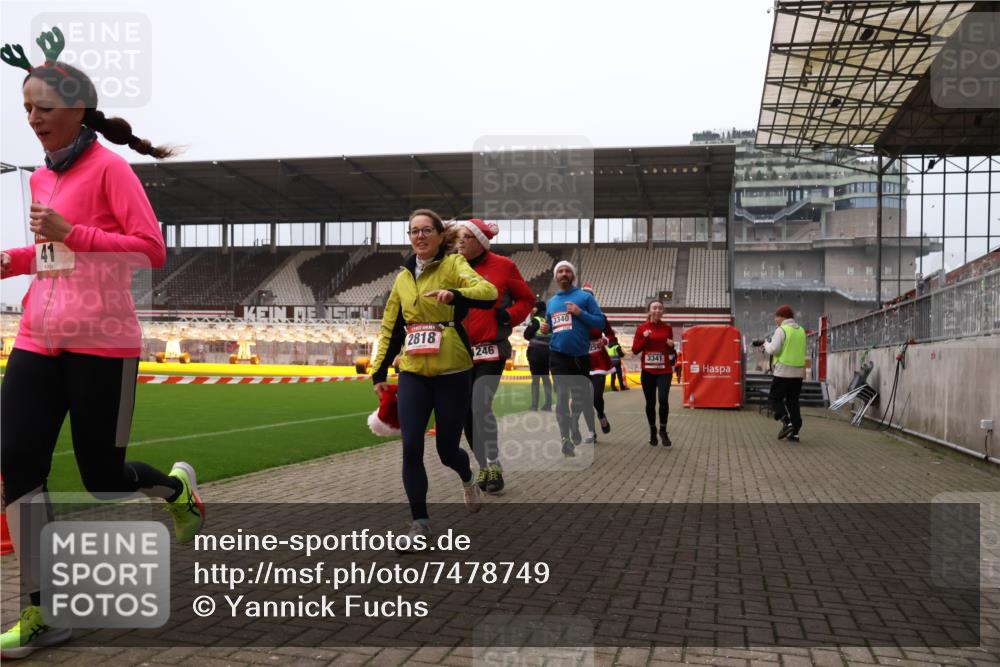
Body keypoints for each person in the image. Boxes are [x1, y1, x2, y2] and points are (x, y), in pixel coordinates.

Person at [0, 32, 203, 659]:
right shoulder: (38, 177)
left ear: (79, 111)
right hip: (37, 337)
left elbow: (151, 248)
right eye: (26, 108)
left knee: (103, 478)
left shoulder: (112, 169)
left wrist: (75, 231)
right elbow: (51, 254)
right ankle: (47, 611)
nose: (33, 119)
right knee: (18, 463)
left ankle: (174, 490)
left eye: (44, 109)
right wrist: (9, 261)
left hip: (103, 344)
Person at [370, 209, 498, 545]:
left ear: (441, 236)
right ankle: (420, 524)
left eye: (427, 230)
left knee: (445, 450)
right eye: (414, 231)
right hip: (413, 371)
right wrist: (379, 371)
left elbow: (488, 293)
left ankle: (467, 475)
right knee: (411, 447)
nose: (420, 236)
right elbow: (390, 328)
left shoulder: (455, 265)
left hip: (452, 370)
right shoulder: (401, 279)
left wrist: (456, 294)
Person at [455, 219, 534, 495]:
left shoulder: (504, 266)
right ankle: (488, 466)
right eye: (458, 237)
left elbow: (527, 300)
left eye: (466, 236)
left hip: (491, 349)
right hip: (459, 352)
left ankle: (493, 466)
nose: (460, 241)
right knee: (465, 413)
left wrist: (509, 316)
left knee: (480, 404)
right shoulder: (453, 266)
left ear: (480, 240)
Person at [545, 261, 606, 457]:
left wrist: (580, 312)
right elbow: (552, 325)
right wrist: (546, 328)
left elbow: (600, 321)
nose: (563, 274)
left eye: (567, 271)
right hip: (558, 355)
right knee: (562, 395)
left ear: (573, 276)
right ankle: (565, 439)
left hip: (580, 357)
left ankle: (573, 425)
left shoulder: (584, 297)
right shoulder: (551, 302)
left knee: (580, 398)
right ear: (556, 276)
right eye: (560, 271)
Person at [754, 305, 807, 442]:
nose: (775, 319)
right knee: (793, 402)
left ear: (783, 317)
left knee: (774, 399)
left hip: (783, 372)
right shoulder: (801, 331)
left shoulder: (781, 330)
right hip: (798, 372)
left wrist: (766, 344)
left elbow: (773, 350)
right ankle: (795, 433)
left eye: (777, 316)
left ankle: (786, 422)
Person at [632, 299, 675, 447]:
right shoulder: (641, 328)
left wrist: (672, 346)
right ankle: (652, 430)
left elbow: (670, 352)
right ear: (649, 311)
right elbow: (635, 350)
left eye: (660, 308)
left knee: (663, 400)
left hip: (664, 370)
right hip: (648, 371)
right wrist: (644, 337)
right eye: (654, 308)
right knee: (650, 403)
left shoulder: (667, 328)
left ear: (663, 311)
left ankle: (663, 430)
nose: (657, 310)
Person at [579, 283, 615, 443]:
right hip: (580, 361)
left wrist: (605, 340)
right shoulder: (574, 316)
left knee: (596, 396)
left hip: (599, 360)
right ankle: (591, 432)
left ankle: (601, 414)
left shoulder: (599, 316)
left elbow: (611, 334)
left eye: (589, 296)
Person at [523, 300, 553, 412]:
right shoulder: (550, 320)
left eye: (534, 307)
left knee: (535, 380)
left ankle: (534, 405)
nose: (533, 309)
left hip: (535, 354)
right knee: (546, 379)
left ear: (538, 309)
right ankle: (548, 405)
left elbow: (526, 335)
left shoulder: (536, 320)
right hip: (548, 354)